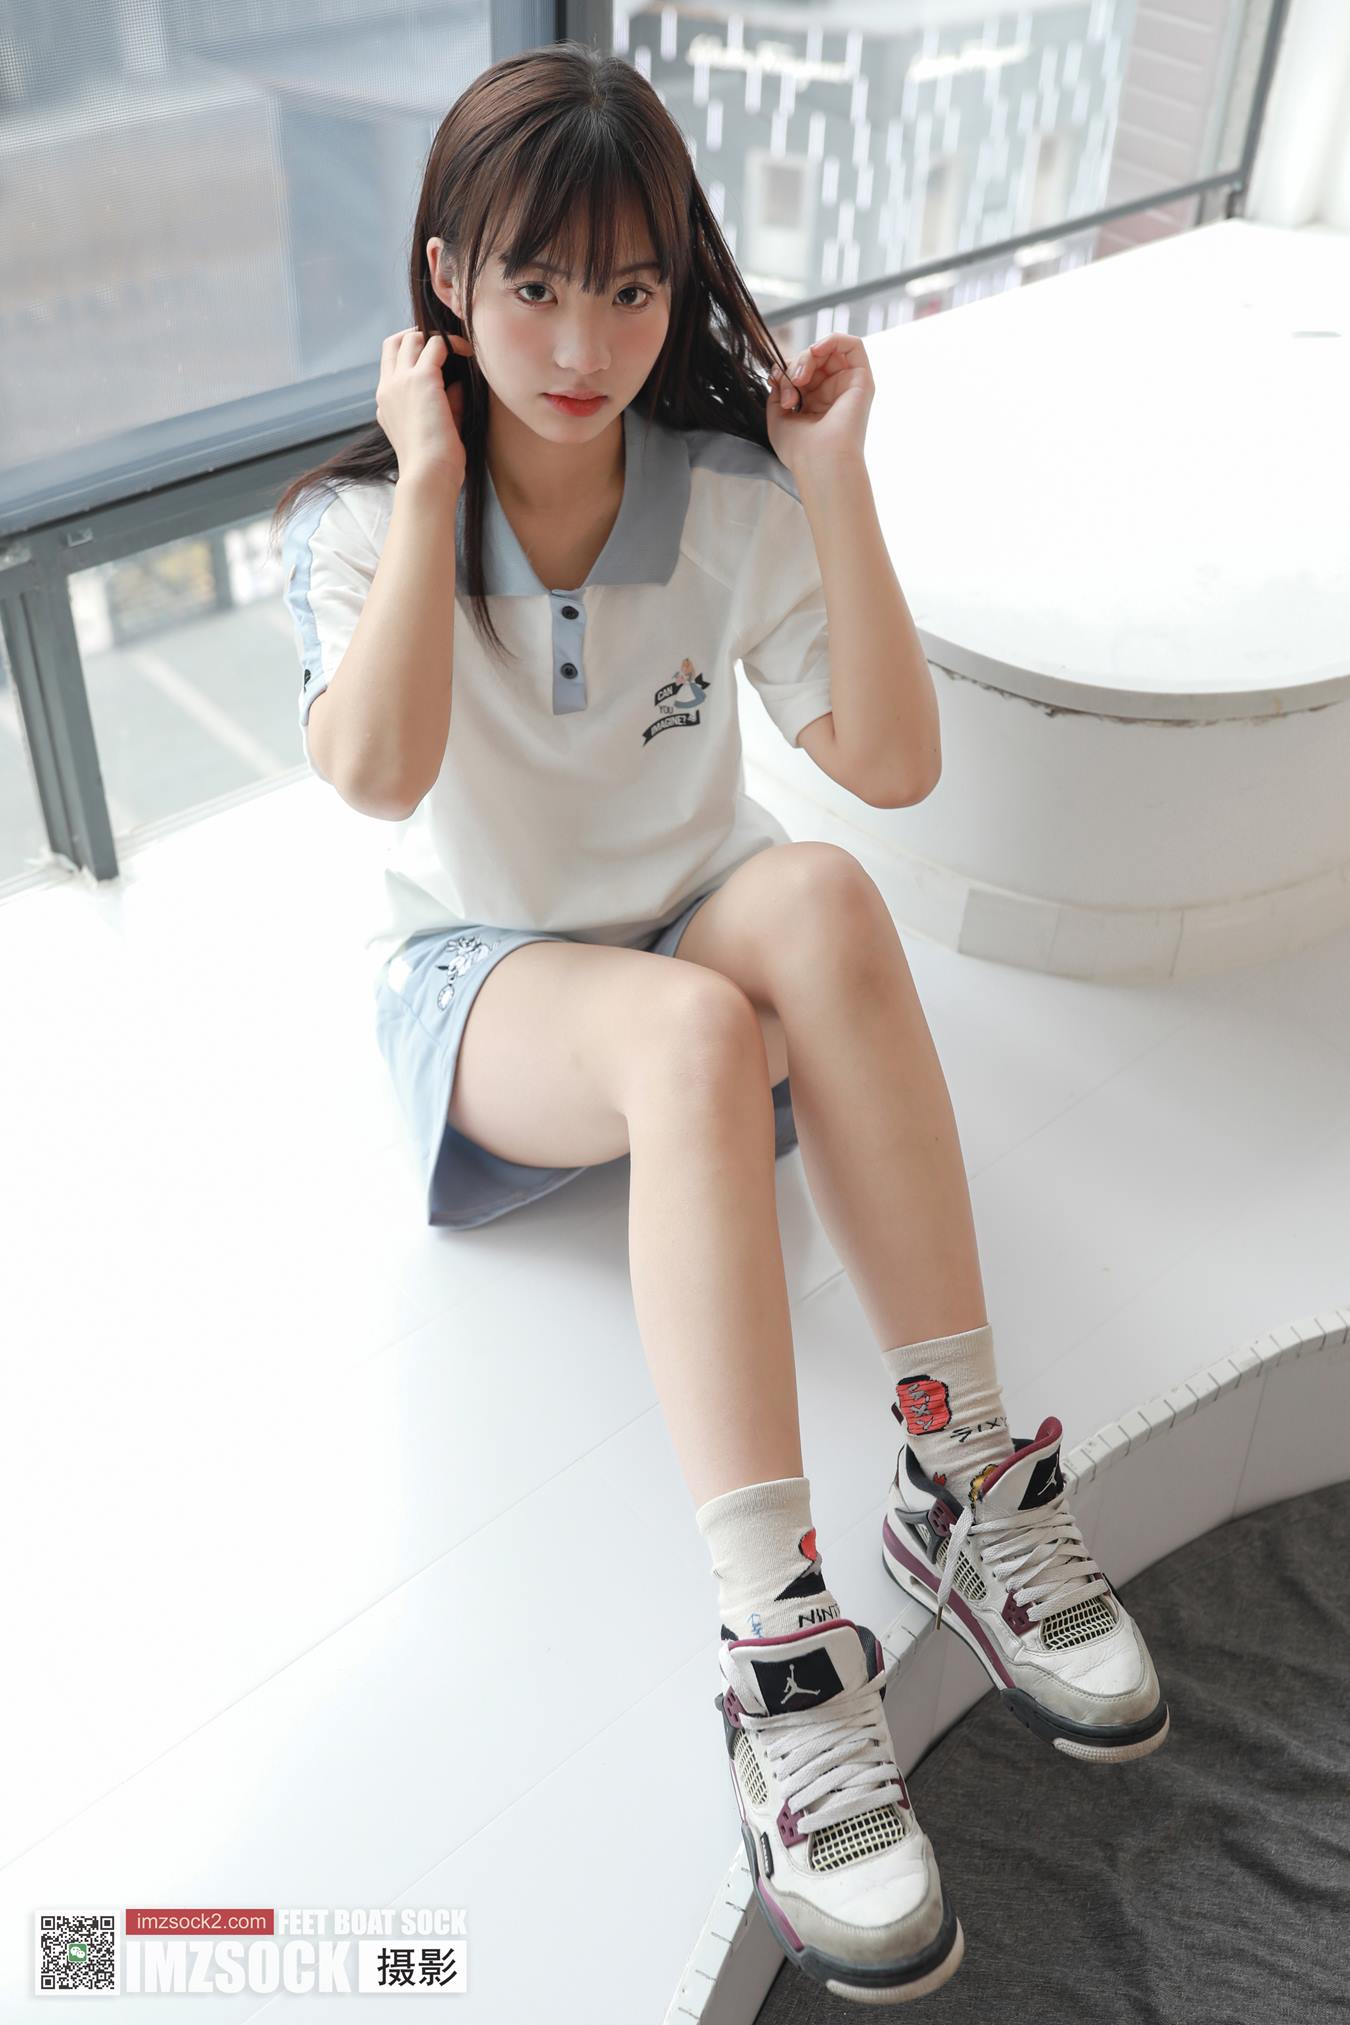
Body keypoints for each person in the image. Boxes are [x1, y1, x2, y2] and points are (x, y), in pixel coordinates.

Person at [271, 41, 1169, 2006]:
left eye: (629, 288)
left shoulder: (726, 500)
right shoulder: (360, 522)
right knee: (685, 1030)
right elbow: (380, 772)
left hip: (691, 924)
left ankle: (964, 1478)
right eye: (532, 285)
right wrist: (433, 487)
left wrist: (835, 486)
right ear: (445, 278)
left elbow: (893, 767)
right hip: (495, 987)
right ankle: (779, 1651)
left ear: (675, 288)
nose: (582, 342)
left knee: (823, 887)